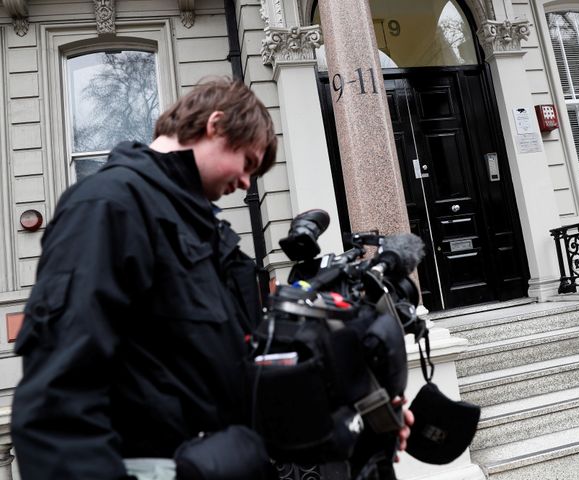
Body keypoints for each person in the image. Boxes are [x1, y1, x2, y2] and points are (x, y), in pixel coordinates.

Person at [10, 77, 412, 480]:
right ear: (215, 125)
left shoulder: (207, 233)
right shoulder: (108, 204)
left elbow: (242, 380)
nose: (245, 183)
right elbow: (57, 401)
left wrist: (358, 417)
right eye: (249, 163)